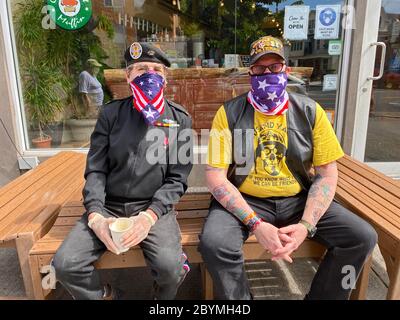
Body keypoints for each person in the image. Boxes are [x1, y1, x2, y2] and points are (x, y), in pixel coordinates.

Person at [199, 36, 378, 300]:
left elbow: (327, 173)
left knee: (362, 237)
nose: (267, 74)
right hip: (247, 200)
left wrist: (306, 224)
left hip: (298, 200)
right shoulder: (229, 113)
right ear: (250, 71)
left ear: (287, 71)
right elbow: (215, 177)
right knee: (214, 244)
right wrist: (256, 225)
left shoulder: (310, 111)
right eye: (260, 68)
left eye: (275, 67)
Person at [53, 42, 194, 300]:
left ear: (165, 77)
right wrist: (95, 215)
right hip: (108, 206)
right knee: (65, 264)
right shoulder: (111, 114)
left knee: (171, 270)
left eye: (156, 69)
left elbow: (178, 179)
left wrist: (150, 216)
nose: (149, 74)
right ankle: (105, 295)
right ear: (128, 76)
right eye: (141, 69)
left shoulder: (179, 119)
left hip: (154, 209)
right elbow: (96, 169)